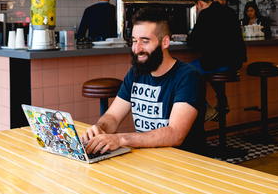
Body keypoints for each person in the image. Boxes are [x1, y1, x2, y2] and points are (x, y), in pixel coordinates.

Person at [82, 8, 204, 154]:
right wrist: (100, 129)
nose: (137, 48)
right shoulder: (136, 73)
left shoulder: (188, 77)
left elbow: (175, 134)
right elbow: (113, 116)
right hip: (149, 158)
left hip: (184, 164)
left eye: (145, 41)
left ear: (165, 42)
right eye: (134, 41)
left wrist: (121, 139)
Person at [187, 0, 247, 118]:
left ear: (200, 3)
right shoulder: (230, 11)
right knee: (208, 69)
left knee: (185, 72)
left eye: (197, 7)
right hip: (235, 62)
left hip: (217, 63)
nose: (198, 9)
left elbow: (194, 41)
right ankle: (222, 101)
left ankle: (206, 108)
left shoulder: (205, 14)